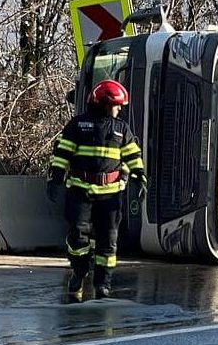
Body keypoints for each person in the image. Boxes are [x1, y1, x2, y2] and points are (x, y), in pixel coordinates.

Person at [46, 80, 146, 302]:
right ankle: (80, 270)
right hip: (80, 192)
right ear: (103, 103)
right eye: (117, 105)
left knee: (108, 241)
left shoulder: (121, 129)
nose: (119, 109)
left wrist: (139, 176)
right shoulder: (78, 125)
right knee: (77, 236)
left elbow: (133, 155)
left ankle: (103, 285)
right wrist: (55, 179)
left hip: (110, 196)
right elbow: (62, 155)